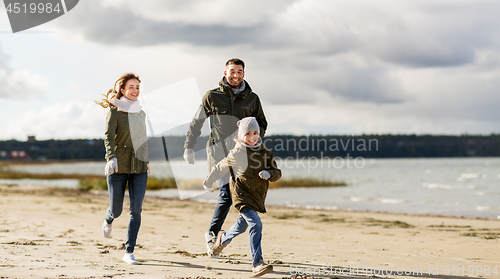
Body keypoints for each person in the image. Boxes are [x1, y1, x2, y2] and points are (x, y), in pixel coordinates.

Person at [183, 58, 268, 256]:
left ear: (244, 74)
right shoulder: (212, 96)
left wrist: (255, 139)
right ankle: (212, 234)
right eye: (232, 71)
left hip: (244, 156)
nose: (235, 75)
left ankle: (225, 236)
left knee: (243, 198)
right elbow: (197, 122)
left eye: (239, 72)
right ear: (225, 72)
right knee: (226, 195)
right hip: (218, 153)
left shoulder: (252, 99)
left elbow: (262, 123)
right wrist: (189, 147)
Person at [203, 117, 281, 277]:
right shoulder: (237, 153)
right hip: (241, 196)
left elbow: (277, 172)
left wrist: (269, 173)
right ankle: (257, 263)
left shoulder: (266, 153)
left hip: (256, 196)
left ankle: (221, 241)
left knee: (241, 226)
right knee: (256, 224)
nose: (252, 137)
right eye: (248, 134)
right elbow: (220, 167)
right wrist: (209, 181)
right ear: (240, 135)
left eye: (255, 133)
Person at [95, 73, 149, 265]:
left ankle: (129, 251)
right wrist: (111, 158)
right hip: (118, 167)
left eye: (137, 87)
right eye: (131, 87)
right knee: (117, 210)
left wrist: (146, 162)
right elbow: (108, 137)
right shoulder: (115, 112)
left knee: (136, 210)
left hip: (139, 168)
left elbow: (142, 140)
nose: (135, 91)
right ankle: (108, 219)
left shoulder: (141, 112)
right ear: (123, 90)